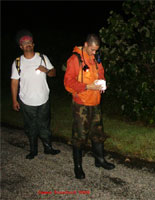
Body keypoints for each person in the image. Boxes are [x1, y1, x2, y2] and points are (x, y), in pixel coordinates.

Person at [64, 34, 115, 180]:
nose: (94, 53)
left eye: (96, 50)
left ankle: (100, 160)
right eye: (92, 50)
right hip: (81, 104)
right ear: (86, 44)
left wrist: (102, 83)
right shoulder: (74, 59)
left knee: (98, 135)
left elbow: (101, 72)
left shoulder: (95, 58)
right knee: (79, 137)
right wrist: (87, 86)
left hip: (96, 103)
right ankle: (78, 167)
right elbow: (68, 83)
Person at [11, 29, 60, 160]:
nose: (27, 45)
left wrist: (46, 70)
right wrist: (14, 101)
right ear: (21, 46)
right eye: (24, 43)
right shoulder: (17, 63)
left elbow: (54, 73)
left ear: (33, 44)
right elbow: (14, 82)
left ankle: (48, 148)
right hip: (26, 101)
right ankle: (33, 150)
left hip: (43, 99)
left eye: (29, 42)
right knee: (30, 127)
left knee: (44, 126)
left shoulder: (43, 58)